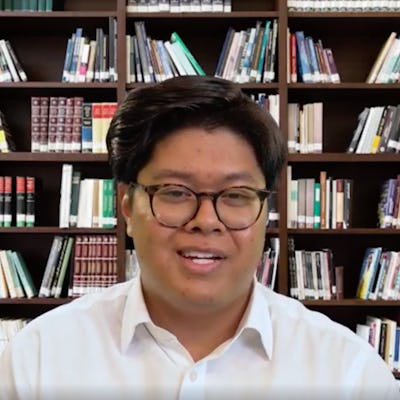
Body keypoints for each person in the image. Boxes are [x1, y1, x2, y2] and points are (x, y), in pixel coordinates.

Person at [0, 76, 398, 400]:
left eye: (237, 196)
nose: (206, 221)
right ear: (126, 206)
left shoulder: (349, 374)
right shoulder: (38, 361)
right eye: (175, 192)